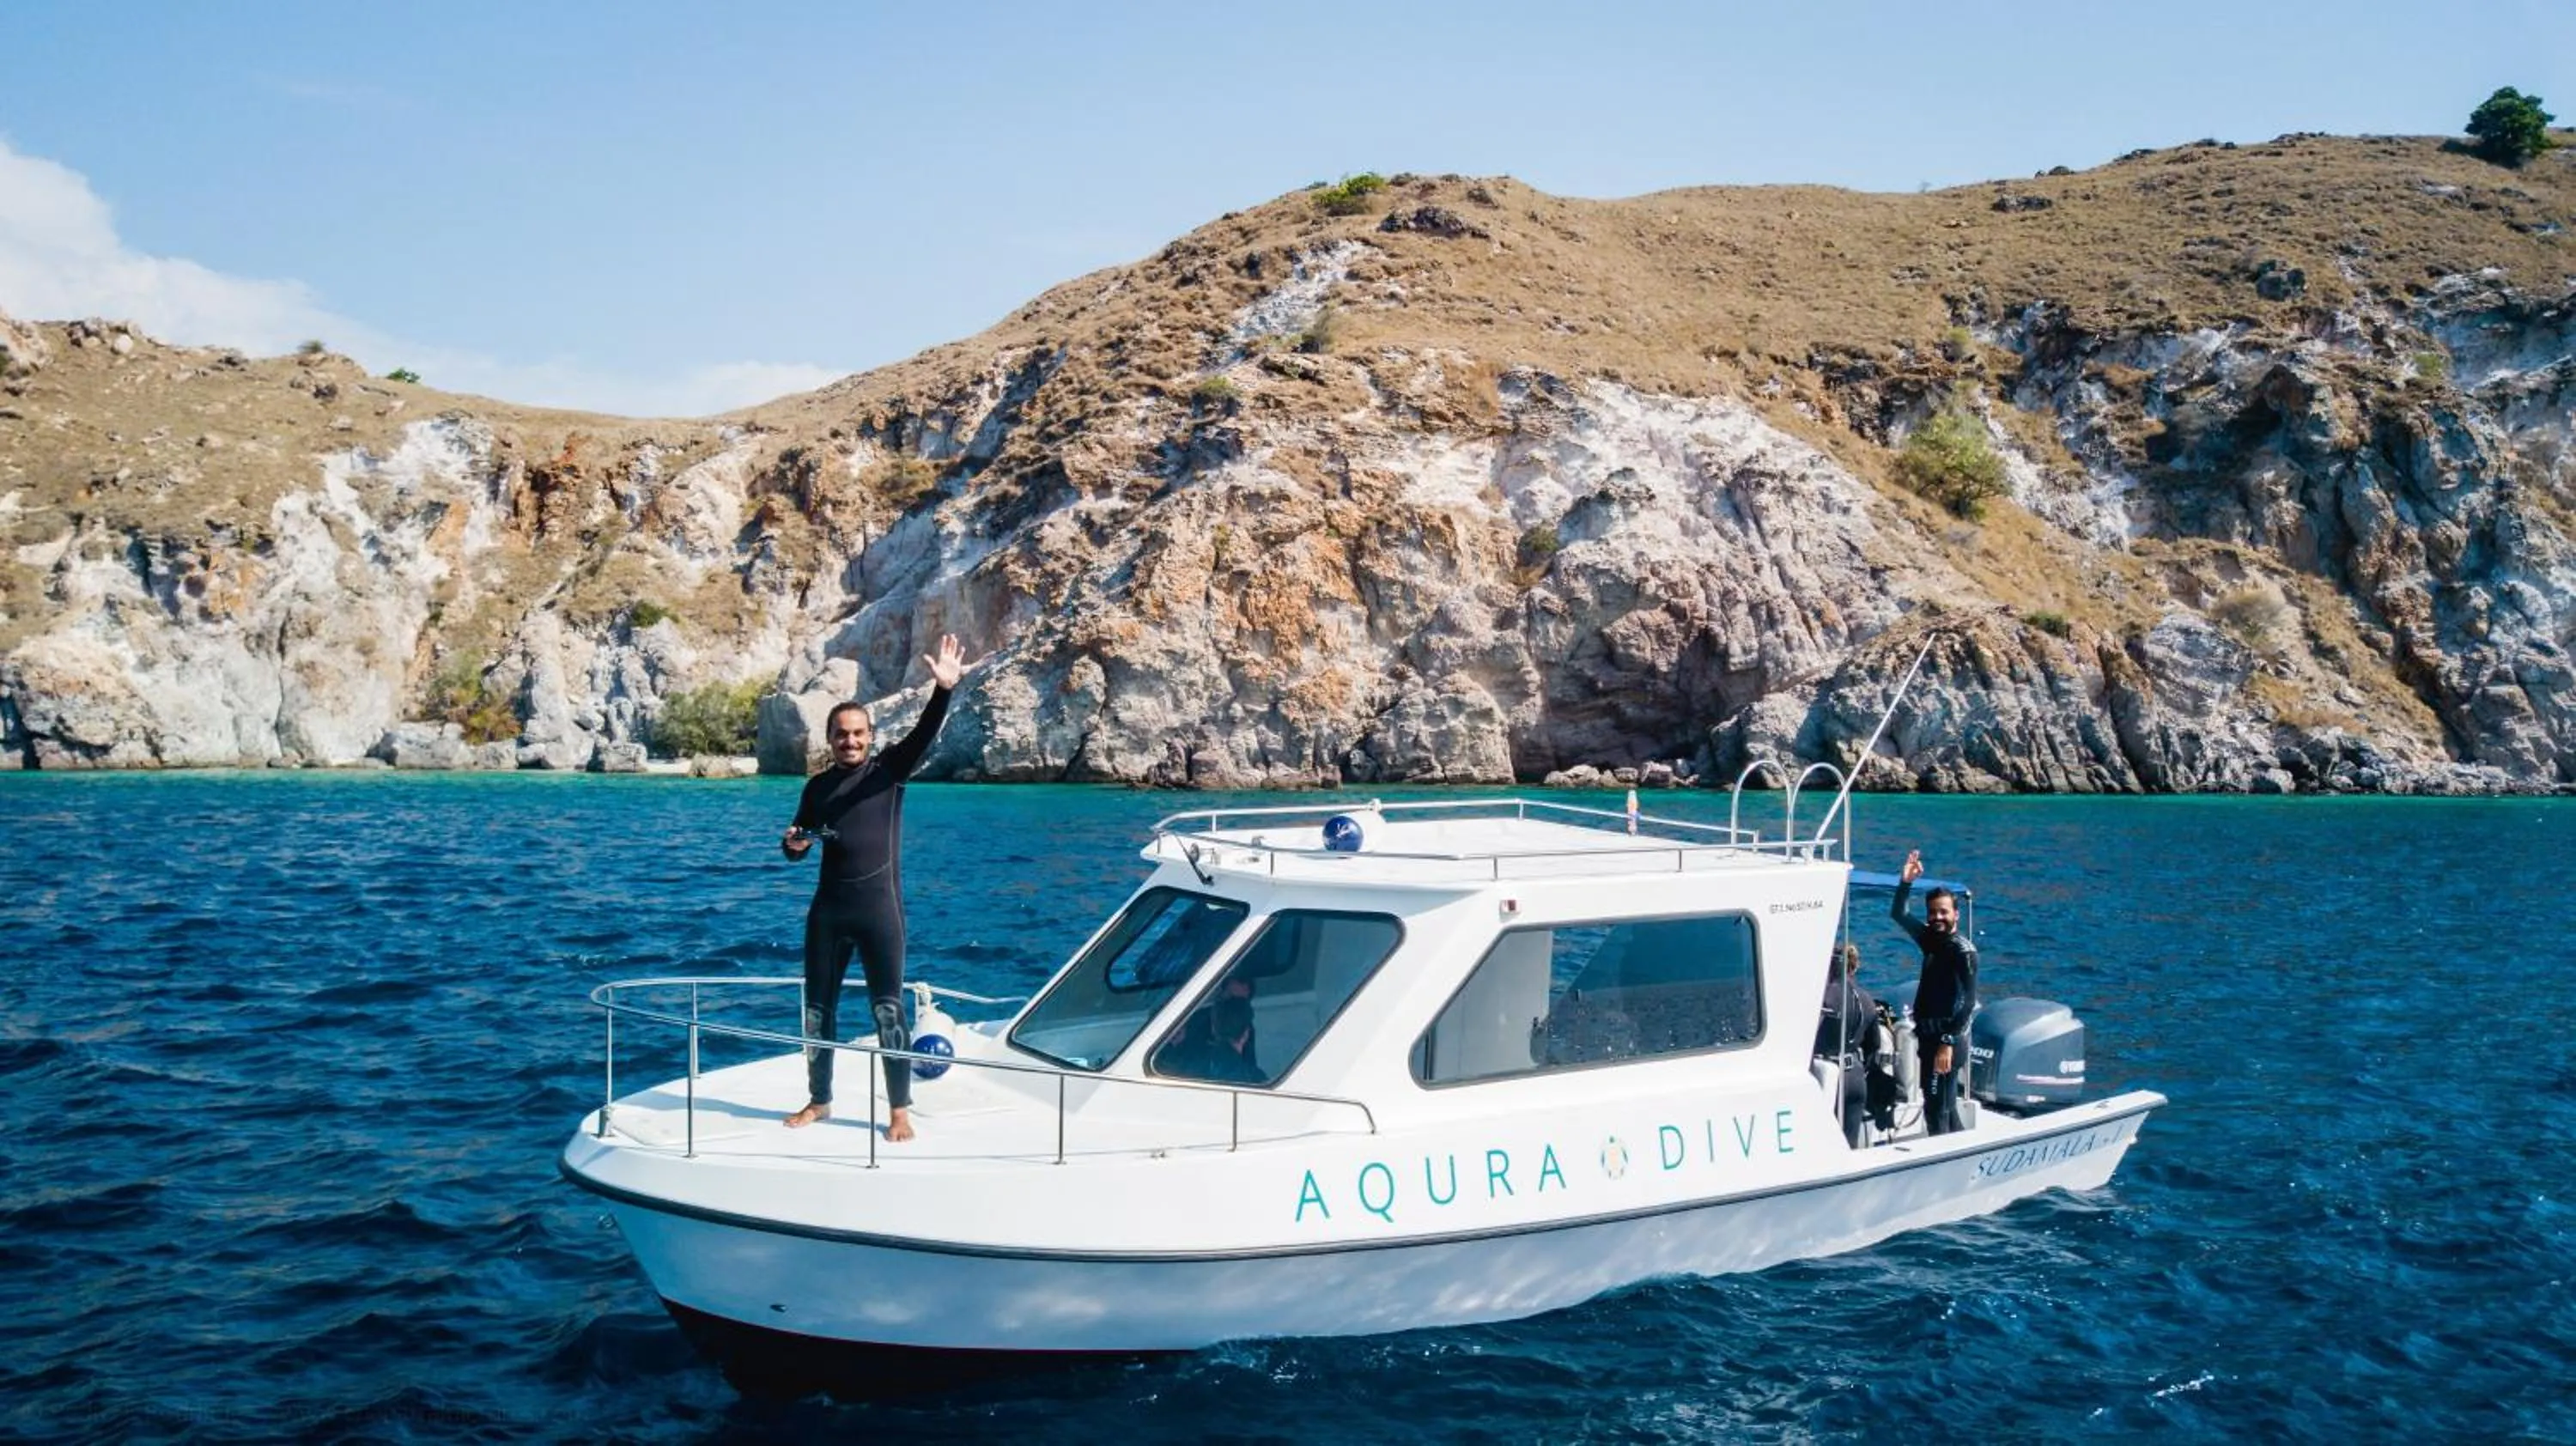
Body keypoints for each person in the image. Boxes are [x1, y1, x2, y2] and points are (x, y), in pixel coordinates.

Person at [779, 635, 968, 1139]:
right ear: (830, 738)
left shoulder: (890, 772)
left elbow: (925, 732)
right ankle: (819, 1100)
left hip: (879, 912)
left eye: (859, 734)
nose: (851, 742)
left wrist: (944, 689)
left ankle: (899, 1110)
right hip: (828, 913)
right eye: (842, 735)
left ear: (870, 736)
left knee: (888, 1009)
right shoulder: (817, 788)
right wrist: (794, 845)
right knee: (817, 1012)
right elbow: (798, 843)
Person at [1892, 849, 1978, 1136]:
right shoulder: (1931, 940)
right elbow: (1899, 914)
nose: (1937, 917)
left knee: (1936, 1109)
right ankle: (1965, 1150)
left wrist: (1946, 1042)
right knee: (1944, 1106)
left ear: (1956, 914)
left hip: (1947, 1041)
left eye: (1944, 912)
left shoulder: (1963, 951)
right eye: (1932, 912)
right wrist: (1906, 883)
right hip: (1931, 1038)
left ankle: (1947, 1157)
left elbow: (1967, 1002)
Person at [1815, 941, 1889, 1145]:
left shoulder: (1822, 998)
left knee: (1822, 1145)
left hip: (1827, 1075)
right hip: (1855, 1077)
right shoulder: (1867, 1000)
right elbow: (1874, 1046)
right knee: (1850, 1146)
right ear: (1854, 967)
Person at [1157, 993, 1262, 1084]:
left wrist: (1176, 1046)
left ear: (1213, 1028)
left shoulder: (1187, 1065)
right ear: (1246, 1033)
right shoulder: (1257, 1080)